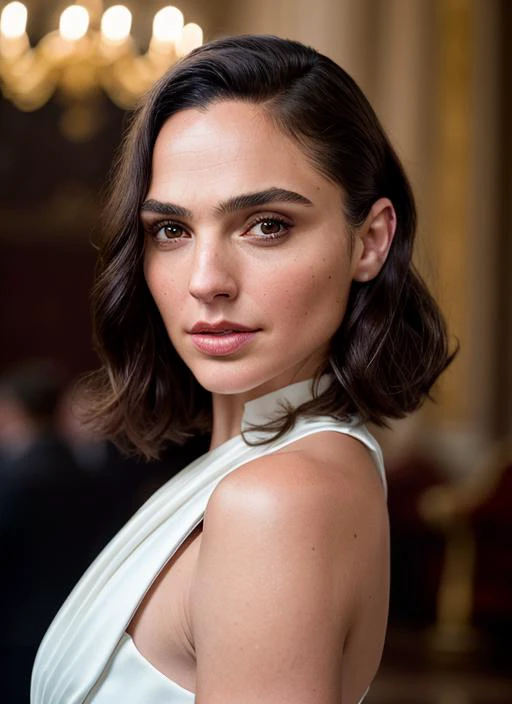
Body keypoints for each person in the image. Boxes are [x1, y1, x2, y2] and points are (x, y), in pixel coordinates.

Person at [31, 35, 454, 704]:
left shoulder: (279, 501)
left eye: (266, 224)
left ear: (370, 240)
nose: (207, 282)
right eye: (172, 230)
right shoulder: (261, 472)